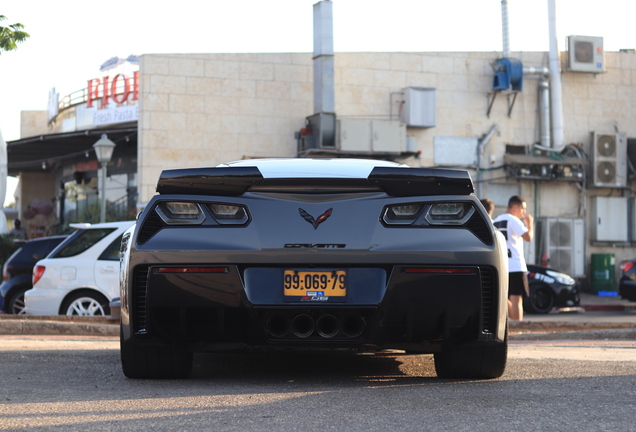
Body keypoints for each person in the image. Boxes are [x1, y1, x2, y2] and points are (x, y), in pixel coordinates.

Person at [493, 195, 534, 321]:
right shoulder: (514, 220)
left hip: (501, 266)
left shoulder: (495, 221)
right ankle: (518, 326)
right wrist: (530, 224)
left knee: (503, 297)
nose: (524, 213)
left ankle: (511, 324)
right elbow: (528, 237)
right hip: (515, 265)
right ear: (515, 207)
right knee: (516, 299)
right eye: (523, 209)